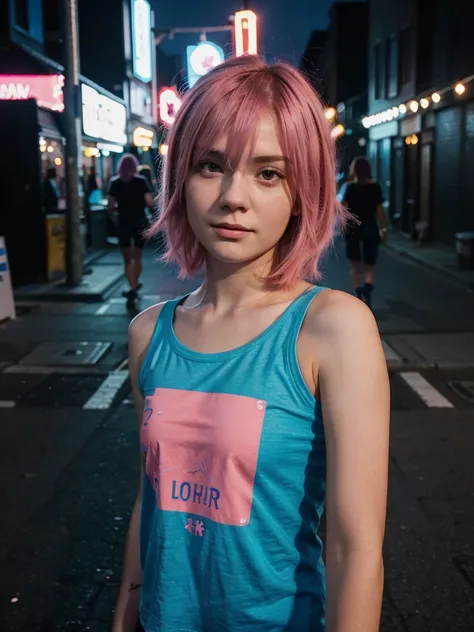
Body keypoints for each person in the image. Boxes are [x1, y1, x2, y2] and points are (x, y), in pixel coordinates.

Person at [112, 56, 390, 632]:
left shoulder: (334, 328)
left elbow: (354, 548)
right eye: (212, 165)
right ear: (180, 177)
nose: (233, 196)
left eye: (269, 173)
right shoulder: (148, 334)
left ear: (302, 189)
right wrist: (126, 606)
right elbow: (153, 493)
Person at [108, 154, 154, 306]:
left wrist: (117, 214)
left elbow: (110, 206)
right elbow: (149, 202)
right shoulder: (141, 181)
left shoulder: (114, 183)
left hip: (123, 223)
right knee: (138, 256)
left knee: (127, 259)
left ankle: (132, 286)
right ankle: (134, 286)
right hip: (140, 221)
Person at [342, 157, 387, 308]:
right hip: (370, 227)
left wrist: (342, 226)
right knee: (369, 265)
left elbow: (343, 210)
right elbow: (380, 212)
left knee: (355, 266)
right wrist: (383, 229)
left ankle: (358, 292)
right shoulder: (375, 188)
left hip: (353, 228)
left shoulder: (350, 188)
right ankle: (367, 289)